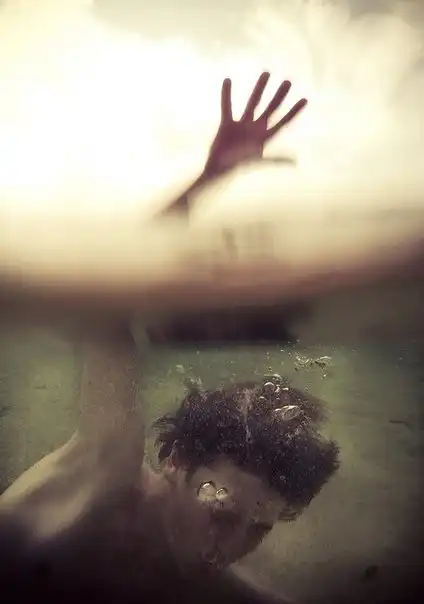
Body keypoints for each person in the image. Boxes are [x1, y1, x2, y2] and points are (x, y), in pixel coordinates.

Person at [0, 72, 340, 604]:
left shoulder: (205, 580)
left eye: (259, 528)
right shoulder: (107, 474)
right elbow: (108, 295)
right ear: (176, 462)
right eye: (220, 510)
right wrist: (211, 177)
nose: (229, 546)